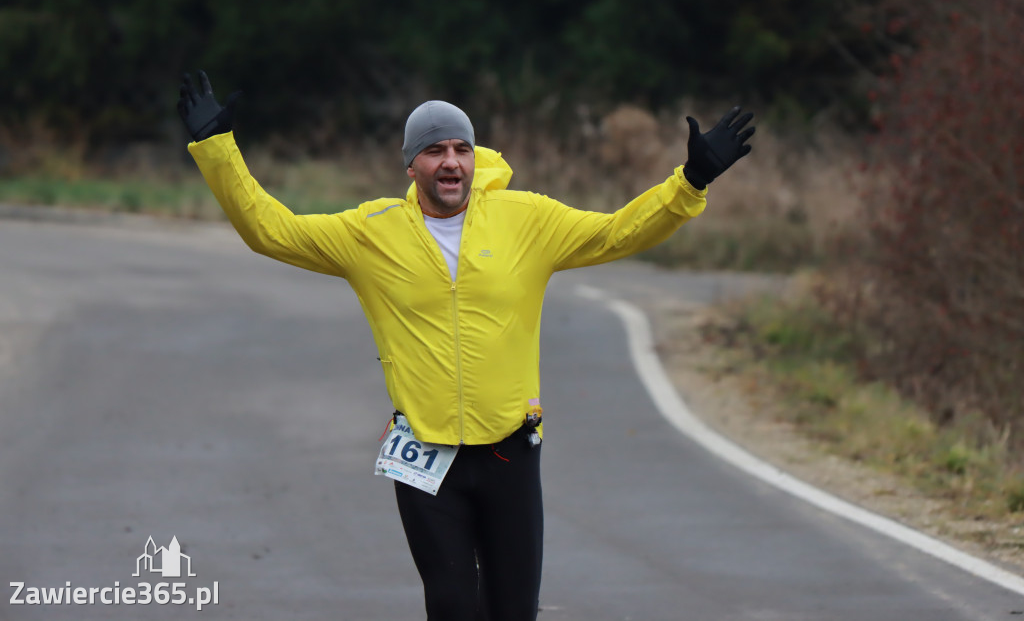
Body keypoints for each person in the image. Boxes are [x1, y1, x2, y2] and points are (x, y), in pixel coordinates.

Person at [177, 70, 754, 621]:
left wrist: (690, 181)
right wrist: (217, 150)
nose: (450, 161)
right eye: (434, 150)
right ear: (411, 165)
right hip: (426, 456)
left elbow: (618, 231)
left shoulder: (527, 219)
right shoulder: (368, 234)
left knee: (511, 612)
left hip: (509, 451)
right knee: (451, 605)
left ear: (474, 159)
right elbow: (269, 230)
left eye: (461, 148)